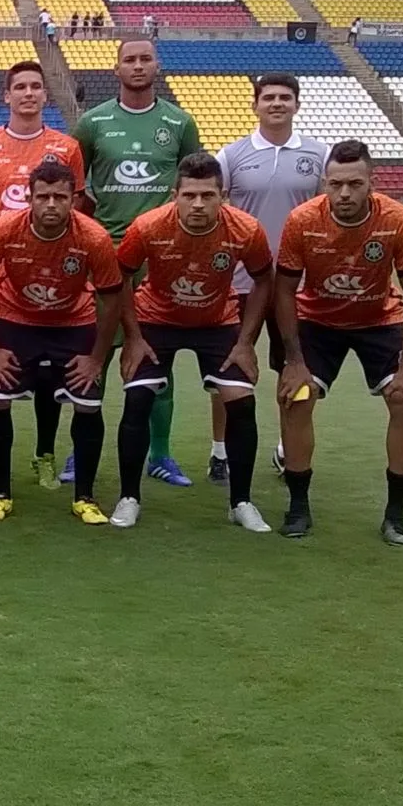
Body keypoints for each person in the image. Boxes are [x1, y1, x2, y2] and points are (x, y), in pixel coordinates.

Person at [273, 141, 403, 545]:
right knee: (297, 397)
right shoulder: (301, 220)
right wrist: (293, 360)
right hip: (317, 319)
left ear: (371, 183)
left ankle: (396, 514)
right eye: (336, 184)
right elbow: (284, 291)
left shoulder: (398, 219)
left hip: (379, 318)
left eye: (355, 184)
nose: (344, 194)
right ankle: (298, 505)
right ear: (324, 183)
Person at [109, 152, 275, 532]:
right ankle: (129, 497)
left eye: (208, 195)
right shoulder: (147, 227)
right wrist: (133, 337)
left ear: (223, 195)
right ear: (175, 195)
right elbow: (121, 276)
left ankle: (241, 502)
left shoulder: (246, 230)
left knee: (242, 402)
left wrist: (246, 341)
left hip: (216, 322)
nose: (198, 204)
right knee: (137, 398)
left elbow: (264, 279)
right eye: (190, 196)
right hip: (156, 318)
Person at [70, 38, 203, 489]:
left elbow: (194, 184)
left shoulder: (179, 121)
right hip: (106, 255)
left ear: (157, 65)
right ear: (116, 67)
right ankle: (79, 450)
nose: (139, 65)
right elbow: (76, 190)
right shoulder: (92, 123)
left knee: (155, 355)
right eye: (130, 59)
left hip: (161, 255)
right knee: (96, 353)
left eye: (146, 58)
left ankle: (160, 454)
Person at [0, 161, 121, 525]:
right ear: (29, 199)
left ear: (75, 201)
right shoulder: (2, 231)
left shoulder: (94, 238)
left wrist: (97, 358)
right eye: (43, 197)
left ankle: (85, 496)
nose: (51, 205)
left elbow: (112, 297)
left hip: (73, 322)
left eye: (60, 197)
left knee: (86, 406)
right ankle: (1, 494)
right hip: (15, 319)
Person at [0, 61, 87, 491]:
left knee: (50, 373)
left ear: (45, 95)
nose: (29, 93)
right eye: (20, 87)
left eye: (36, 86)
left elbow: (80, 203)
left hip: (55, 275)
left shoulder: (66, 148)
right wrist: (3, 236)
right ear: (6, 96)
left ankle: (44, 454)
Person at [212, 71, 326, 482]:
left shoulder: (319, 155)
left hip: (296, 286)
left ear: (297, 103)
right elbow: (213, 209)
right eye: (268, 97)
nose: (276, 104)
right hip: (240, 280)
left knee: (292, 367)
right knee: (229, 367)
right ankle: (220, 451)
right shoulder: (232, 155)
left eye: (285, 97)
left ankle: (286, 447)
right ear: (255, 104)